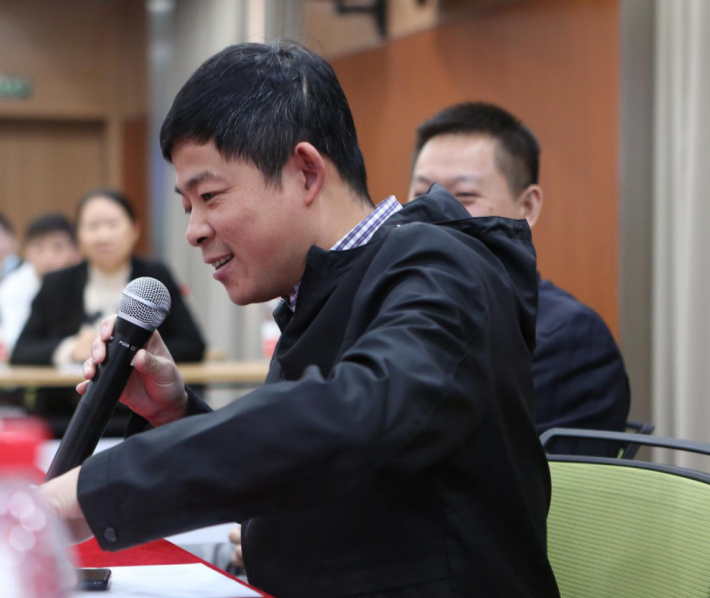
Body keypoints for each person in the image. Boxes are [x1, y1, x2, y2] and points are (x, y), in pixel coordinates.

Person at [41, 41, 559, 598]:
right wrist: (176, 413)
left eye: (210, 195)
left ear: (307, 172)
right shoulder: (321, 288)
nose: (194, 230)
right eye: (189, 206)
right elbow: (303, 474)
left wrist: (95, 487)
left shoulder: (442, 268)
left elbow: (354, 416)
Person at [409, 102, 630, 455]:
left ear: (527, 207)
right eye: (421, 195)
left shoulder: (570, 337)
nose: (434, 212)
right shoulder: (395, 312)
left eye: (465, 195)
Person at [11, 190, 206, 366]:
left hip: (141, 390)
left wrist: (128, 349)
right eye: (93, 226)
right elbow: (22, 350)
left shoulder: (154, 276)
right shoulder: (58, 282)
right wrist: (72, 348)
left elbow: (192, 346)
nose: (103, 236)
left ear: (134, 230)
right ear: (78, 235)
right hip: (72, 392)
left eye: (112, 224)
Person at [0, 214, 81, 353]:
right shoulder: (11, 288)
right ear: (26, 252)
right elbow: (11, 343)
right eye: (39, 248)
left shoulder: (83, 279)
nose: (48, 257)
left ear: (75, 251)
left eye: (57, 247)